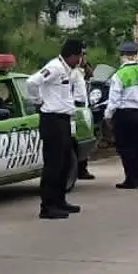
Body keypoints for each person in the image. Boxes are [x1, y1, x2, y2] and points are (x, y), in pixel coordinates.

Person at [25, 39, 87, 219]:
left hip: (64, 120)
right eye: (80, 55)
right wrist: (38, 101)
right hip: (52, 120)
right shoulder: (55, 67)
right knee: (53, 164)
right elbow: (31, 82)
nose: (81, 59)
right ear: (72, 55)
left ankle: (60, 200)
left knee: (65, 163)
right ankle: (48, 206)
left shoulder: (68, 71)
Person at [104, 41, 138, 190]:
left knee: (126, 147)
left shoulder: (119, 75)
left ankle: (131, 179)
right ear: (137, 55)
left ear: (122, 56)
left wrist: (108, 115)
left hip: (125, 114)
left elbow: (114, 99)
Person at [71, 54, 95, 181]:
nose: (83, 58)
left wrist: (85, 65)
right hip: (75, 107)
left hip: (84, 107)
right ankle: (79, 169)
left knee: (85, 137)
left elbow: (91, 75)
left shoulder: (81, 71)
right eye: (81, 56)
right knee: (78, 138)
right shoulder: (72, 73)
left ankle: (83, 168)